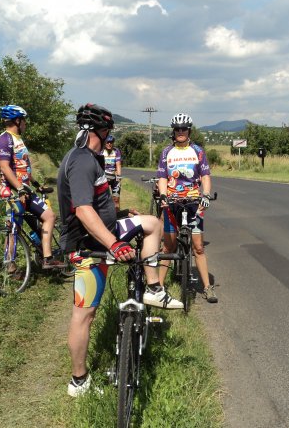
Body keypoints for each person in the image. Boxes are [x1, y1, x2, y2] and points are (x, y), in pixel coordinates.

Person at [57, 103, 182, 398]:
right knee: (84, 314)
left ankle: (152, 288)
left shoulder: (88, 158)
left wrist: (123, 214)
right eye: (108, 131)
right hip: (91, 245)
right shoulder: (83, 162)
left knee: (151, 223)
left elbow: (97, 206)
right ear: (101, 131)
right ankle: (79, 382)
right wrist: (114, 244)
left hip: (103, 233)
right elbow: (83, 210)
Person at [0, 104, 64, 270]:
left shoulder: (17, 139)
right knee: (15, 228)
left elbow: (22, 167)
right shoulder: (5, 139)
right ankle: (12, 267)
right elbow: (5, 167)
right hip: (14, 191)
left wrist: (36, 184)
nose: (25, 123)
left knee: (46, 217)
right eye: (24, 120)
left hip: (24, 189)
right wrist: (19, 188)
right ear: (17, 121)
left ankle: (45, 257)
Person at [157, 113, 217, 303]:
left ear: (189, 131)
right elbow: (162, 177)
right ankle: (158, 287)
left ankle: (207, 287)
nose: (180, 132)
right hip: (172, 201)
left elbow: (205, 176)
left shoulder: (198, 151)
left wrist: (206, 195)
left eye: (184, 129)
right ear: (173, 131)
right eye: (177, 129)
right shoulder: (166, 152)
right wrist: (163, 195)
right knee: (168, 247)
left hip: (194, 202)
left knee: (198, 247)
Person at [101, 134, 122, 210]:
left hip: (113, 176)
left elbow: (118, 164)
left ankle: (117, 214)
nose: (109, 144)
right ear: (105, 143)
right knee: (103, 200)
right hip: (104, 177)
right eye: (107, 142)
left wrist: (119, 176)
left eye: (111, 142)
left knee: (116, 199)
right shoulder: (101, 151)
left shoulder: (116, 151)